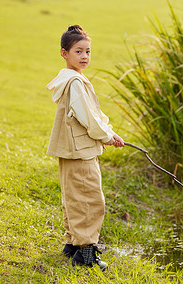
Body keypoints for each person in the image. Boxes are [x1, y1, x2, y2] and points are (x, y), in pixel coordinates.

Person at [46, 25, 124, 270]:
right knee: (90, 199)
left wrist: (110, 132)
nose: (84, 57)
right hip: (81, 151)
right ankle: (86, 254)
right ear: (64, 53)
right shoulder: (76, 83)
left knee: (74, 196)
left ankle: (73, 245)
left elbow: (94, 114)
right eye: (78, 51)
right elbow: (88, 119)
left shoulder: (71, 80)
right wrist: (105, 137)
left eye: (88, 52)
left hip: (71, 150)